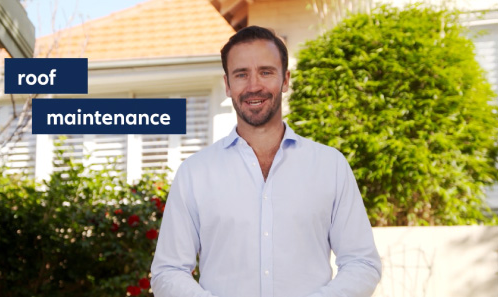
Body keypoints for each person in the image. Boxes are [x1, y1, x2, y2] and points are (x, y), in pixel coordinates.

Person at [150, 26, 382, 297]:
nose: (253, 86)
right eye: (241, 74)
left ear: (285, 80)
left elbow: (362, 263)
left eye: (266, 72)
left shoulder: (331, 167)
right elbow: (168, 271)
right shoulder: (195, 173)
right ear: (227, 85)